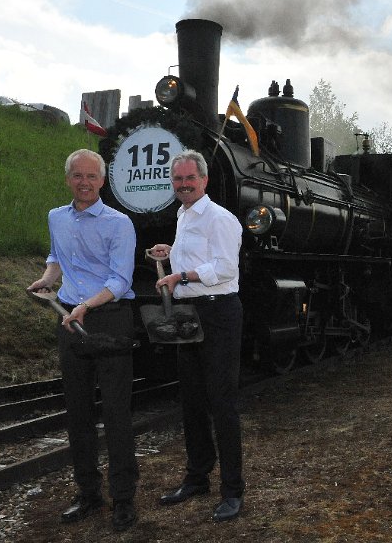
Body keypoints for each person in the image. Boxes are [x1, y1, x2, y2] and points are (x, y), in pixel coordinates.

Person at [27, 149, 138, 532]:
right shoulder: (56, 217)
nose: (85, 183)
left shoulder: (119, 223)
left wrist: (86, 306)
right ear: (68, 179)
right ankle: (89, 494)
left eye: (92, 177)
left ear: (102, 181)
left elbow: (120, 279)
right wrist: (48, 279)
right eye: (78, 176)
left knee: (116, 415)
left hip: (110, 320)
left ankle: (124, 499)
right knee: (77, 412)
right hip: (72, 320)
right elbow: (57, 256)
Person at [151, 150, 246, 521]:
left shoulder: (221, 218)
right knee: (191, 400)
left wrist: (180, 276)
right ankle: (197, 477)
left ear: (204, 180)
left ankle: (233, 490)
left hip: (219, 313)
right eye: (178, 180)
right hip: (189, 313)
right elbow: (199, 255)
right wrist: (171, 254)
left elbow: (224, 267)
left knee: (222, 403)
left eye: (190, 179)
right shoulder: (183, 214)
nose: (184, 185)